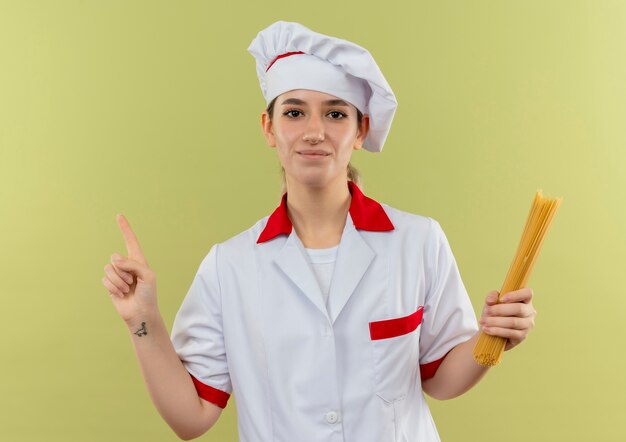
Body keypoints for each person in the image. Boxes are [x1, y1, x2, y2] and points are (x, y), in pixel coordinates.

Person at [101, 21, 537, 441]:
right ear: (269, 128)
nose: (314, 131)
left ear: (361, 129)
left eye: (335, 113)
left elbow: (440, 379)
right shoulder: (229, 265)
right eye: (294, 112)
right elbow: (190, 418)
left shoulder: (417, 242)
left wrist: (490, 338)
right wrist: (144, 320)